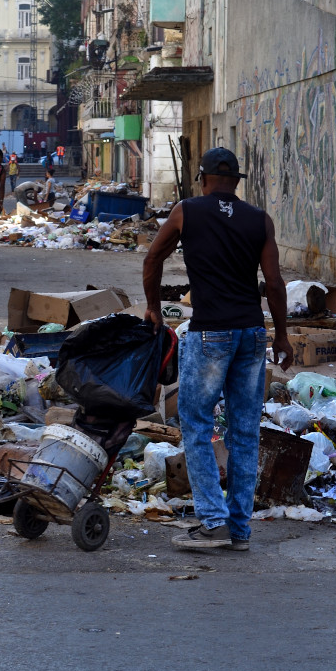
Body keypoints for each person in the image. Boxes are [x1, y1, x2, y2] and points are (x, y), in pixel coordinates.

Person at [143, 147, 291, 552]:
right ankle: (239, 529)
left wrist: (154, 308)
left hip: (211, 334)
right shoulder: (260, 220)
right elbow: (275, 284)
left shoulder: (186, 211)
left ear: (204, 179)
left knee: (195, 422)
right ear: (237, 181)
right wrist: (281, 335)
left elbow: (153, 257)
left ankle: (212, 521)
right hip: (251, 333)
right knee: (244, 431)